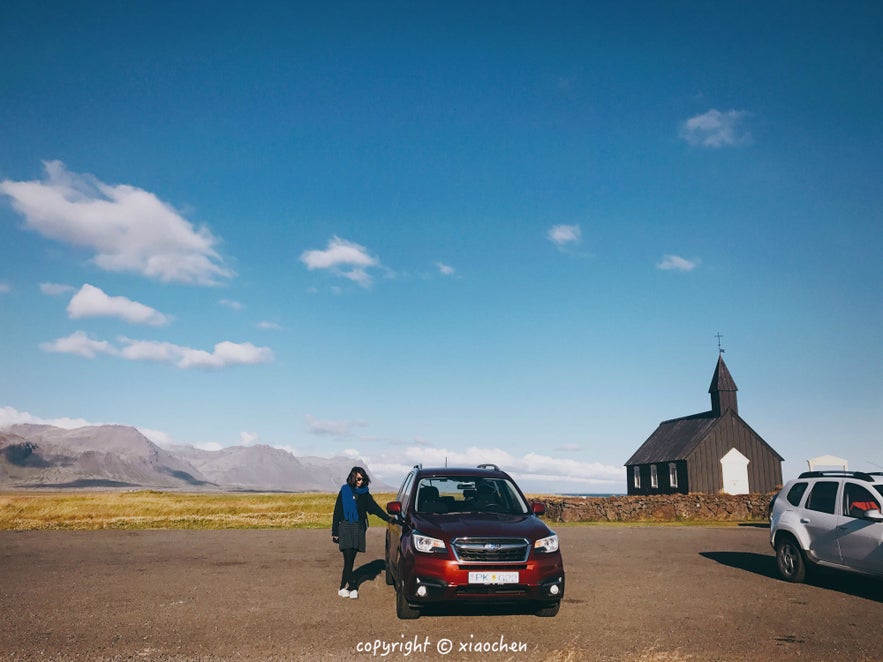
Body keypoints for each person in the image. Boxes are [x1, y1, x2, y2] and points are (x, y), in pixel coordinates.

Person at [331, 466, 391, 599]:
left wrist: (389, 518)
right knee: (347, 559)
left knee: (351, 559)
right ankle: (350, 587)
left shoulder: (365, 494)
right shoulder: (344, 491)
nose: (360, 481)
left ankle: (343, 587)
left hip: (358, 528)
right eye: (358, 479)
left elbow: (375, 509)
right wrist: (335, 532)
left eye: (363, 479)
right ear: (352, 478)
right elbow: (337, 512)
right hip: (346, 527)